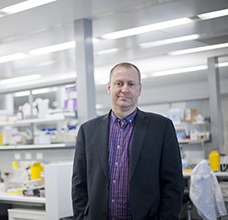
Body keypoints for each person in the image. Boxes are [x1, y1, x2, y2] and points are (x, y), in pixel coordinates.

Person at [72, 62, 184, 220]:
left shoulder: (161, 127)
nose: (124, 89)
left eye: (131, 84)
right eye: (119, 83)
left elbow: (173, 183)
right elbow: (79, 183)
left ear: (139, 89)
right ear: (109, 88)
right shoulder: (88, 130)